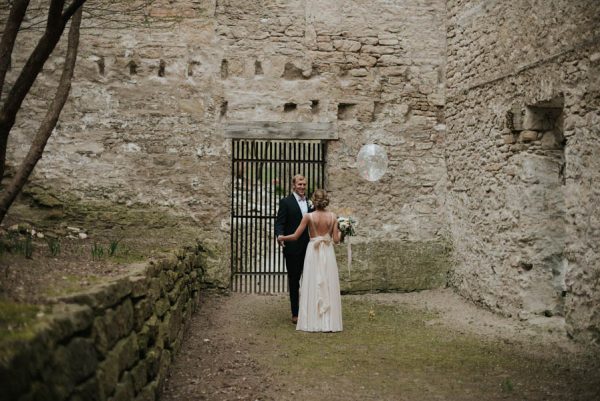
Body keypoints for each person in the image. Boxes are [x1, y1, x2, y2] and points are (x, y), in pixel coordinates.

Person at [277, 189, 343, 332]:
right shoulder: (333, 217)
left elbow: (295, 236)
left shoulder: (308, 216)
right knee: (327, 282)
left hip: (313, 250)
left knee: (312, 283)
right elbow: (336, 240)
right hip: (327, 251)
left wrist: (281, 237)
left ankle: (313, 320)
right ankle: (328, 322)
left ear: (314, 201)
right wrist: (343, 230)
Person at [275, 174, 313, 324]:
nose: (302, 187)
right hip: (292, 247)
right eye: (299, 184)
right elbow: (280, 223)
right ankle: (296, 313)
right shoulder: (286, 202)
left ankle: (309, 310)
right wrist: (279, 235)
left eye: (304, 184)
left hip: (310, 246)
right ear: (293, 185)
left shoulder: (311, 203)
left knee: (310, 278)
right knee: (294, 279)